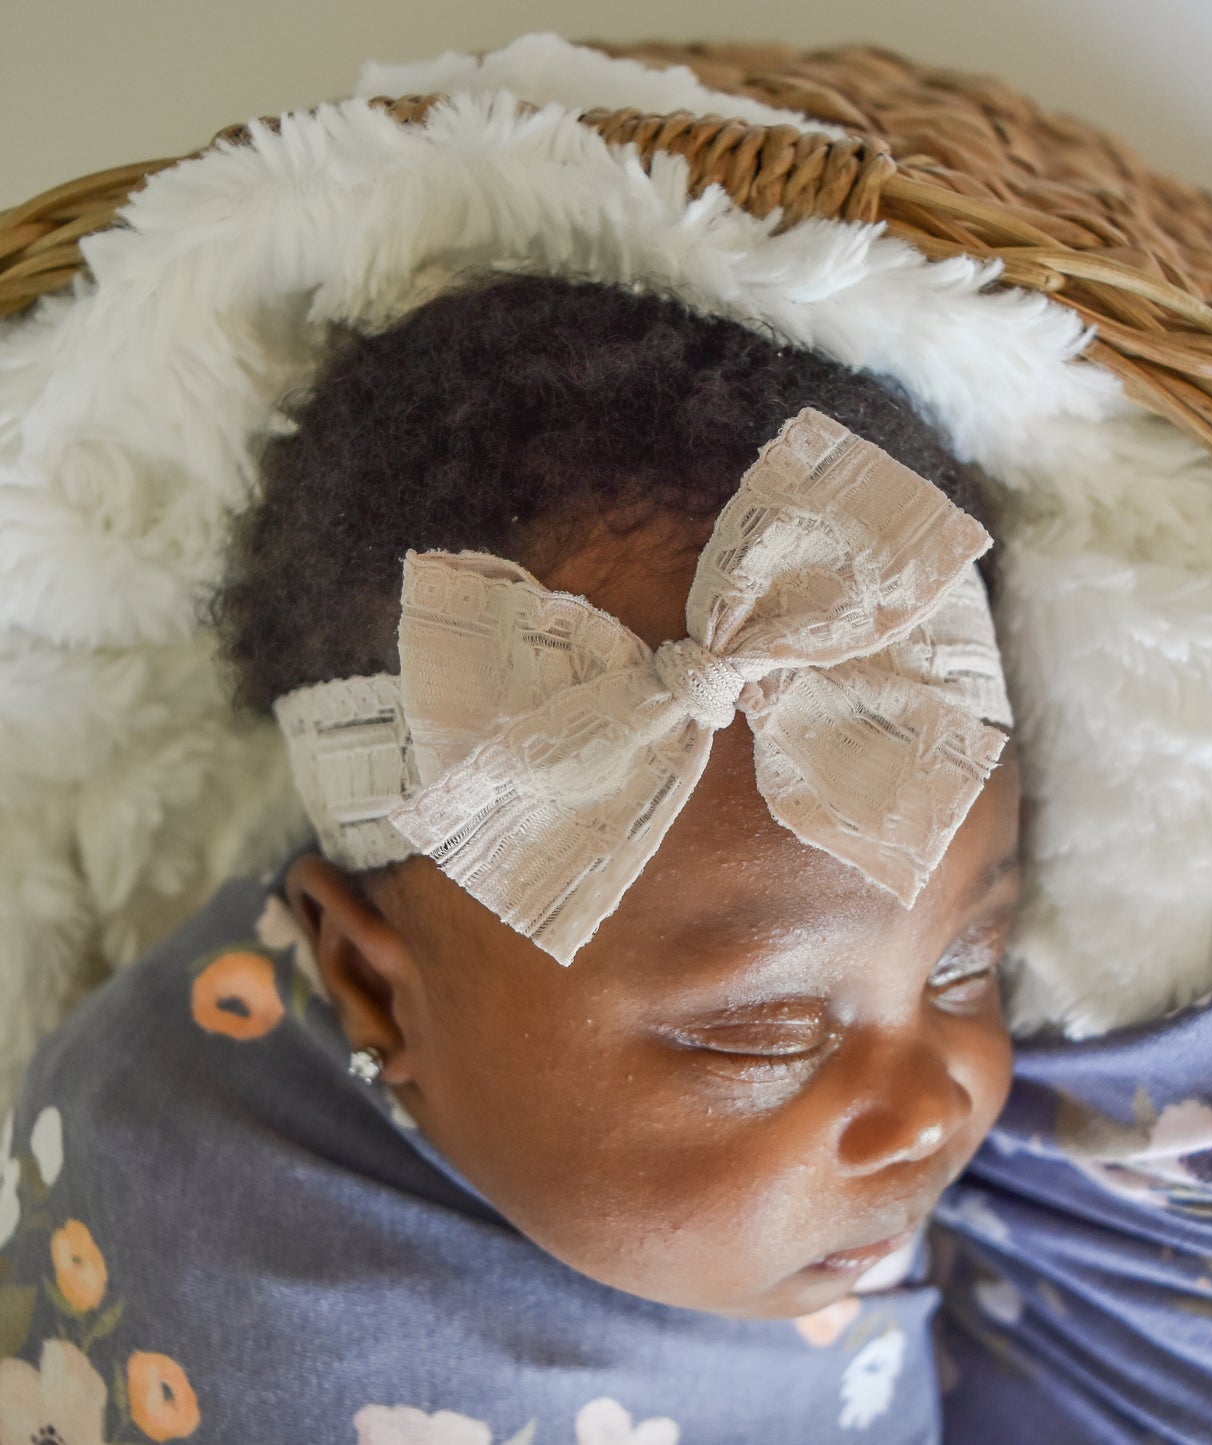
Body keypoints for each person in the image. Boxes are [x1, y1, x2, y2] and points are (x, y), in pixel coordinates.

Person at [0, 273, 1022, 1443]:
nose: (929, 1111)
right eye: (759, 1033)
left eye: (968, 959)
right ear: (379, 987)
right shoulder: (202, 1251)